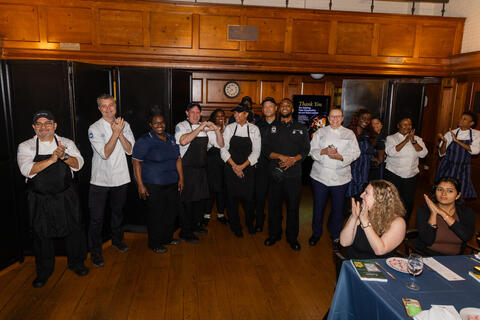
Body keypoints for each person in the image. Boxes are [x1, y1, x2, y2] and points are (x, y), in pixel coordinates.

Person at [17, 110, 89, 288]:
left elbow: (79, 164)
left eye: (47, 123)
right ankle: (44, 271)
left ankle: (76, 263)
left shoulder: (66, 143)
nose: (43, 127)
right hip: (40, 198)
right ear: (34, 127)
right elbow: (27, 170)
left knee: (73, 230)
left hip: (65, 196)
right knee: (41, 235)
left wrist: (64, 156)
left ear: (54, 125)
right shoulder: (25, 146)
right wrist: (52, 159)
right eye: (39, 124)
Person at [88, 94, 135, 267]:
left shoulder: (125, 124)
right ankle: (95, 252)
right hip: (99, 180)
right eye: (104, 106)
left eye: (111, 106)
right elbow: (105, 153)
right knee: (96, 219)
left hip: (121, 177)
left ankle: (117, 240)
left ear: (115, 106)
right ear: (99, 108)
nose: (108, 109)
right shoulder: (94, 128)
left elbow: (130, 150)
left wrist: (120, 132)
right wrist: (115, 133)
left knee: (117, 213)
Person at [132, 109, 184, 254]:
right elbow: (136, 163)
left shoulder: (171, 138)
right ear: (150, 125)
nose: (159, 125)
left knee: (171, 213)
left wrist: (181, 178)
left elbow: (178, 159)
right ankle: (154, 243)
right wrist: (140, 185)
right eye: (156, 123)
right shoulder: (144, 141)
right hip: (153, 185)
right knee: (156, 215)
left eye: (162, 122)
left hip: (172, 183)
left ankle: (167, 238)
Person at [262, 98, 310, 250]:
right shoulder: (271, 128)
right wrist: (280, 157)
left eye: (287, 105)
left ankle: (292, 238)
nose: (284, 108)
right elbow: (265, 150)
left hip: (294, 176)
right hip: (275, 174)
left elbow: (305, 151)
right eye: (282, 106)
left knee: (293, 208)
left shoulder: (301, 128)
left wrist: (293, 160)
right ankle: (274, 235)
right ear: (278, 109)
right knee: (274, 207)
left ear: (292, 109)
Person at [309, 108, 360, 247]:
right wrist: (323, 151)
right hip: (320, 176)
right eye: (332, 117)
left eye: (338, 117)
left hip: (341, 177)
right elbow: (312, 151)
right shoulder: (320, 132)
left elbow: (356, 152)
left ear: (342, 118)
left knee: (338, 209)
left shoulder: (349, 134)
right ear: (328, 118)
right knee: (318, 207)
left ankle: (336, 235)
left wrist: (341, 156)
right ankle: (316, 233)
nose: (335, 119)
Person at [175, 103, 224, 243]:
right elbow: (183, 141)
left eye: (198, 113)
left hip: (202, 170)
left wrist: (216, 130)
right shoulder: (182, 126)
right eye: (193, 112)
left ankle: (195, 226)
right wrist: (200, 128)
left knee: (199, 201)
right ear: (187, 113)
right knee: (187, 202)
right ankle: (185, 232)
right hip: (187, 169)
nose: (196, 115)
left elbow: (220, 144)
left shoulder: (205, 128)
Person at [340, 180, 406, 259]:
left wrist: (365, 222)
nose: (361, 195)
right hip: (355, 264)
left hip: (380, 267)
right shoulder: (362, 212)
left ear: (379, 199)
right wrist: (353, 217)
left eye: (366, 193)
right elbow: (344, 242)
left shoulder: (398, 223)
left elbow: (380, 250)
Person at [221, 104, 261, 237]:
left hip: (247, 168)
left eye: (238, 113)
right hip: (231, 168)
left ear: (246, 114)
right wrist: (234, 166)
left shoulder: (254, 129)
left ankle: (250, 224)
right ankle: (235, 226)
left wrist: (242, 166)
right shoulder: (229, 128)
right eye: (235, 113)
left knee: (249, 199)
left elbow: (256, 152)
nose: (235, 115)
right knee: (232, 200)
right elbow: (223, 149)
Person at [414, 176, 475, 256]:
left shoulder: (466, 213)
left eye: (450, 191)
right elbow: (427, 240)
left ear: (458, 195)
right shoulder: (424, 210)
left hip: (455, 259)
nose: (443, 194)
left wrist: (443, 214)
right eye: (440, 189)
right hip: (427, 256)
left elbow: (466, 236)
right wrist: (433, 213)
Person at [385, 117, 428, 224]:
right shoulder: (391, 138)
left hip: (411, 174)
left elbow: (423, 154)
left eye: (409, 124)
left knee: (408, 201)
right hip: (393, 173)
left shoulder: (417, 139)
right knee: (393, 200)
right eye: (404, 124)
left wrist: (413, 141)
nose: (407, 127)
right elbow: (391, 152)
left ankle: (404, 223)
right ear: (398, 126)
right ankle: (390, 223)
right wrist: (406, 140)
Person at [435, 111, 479, 199]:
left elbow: (475, 151)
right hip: (447, 167)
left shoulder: (476, 134)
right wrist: (444, 142)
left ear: (471, 123)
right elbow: (441, 153)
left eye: (464, 119)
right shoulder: (450, 133)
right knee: (443, 194)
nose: (461, 120)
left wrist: (457, 141)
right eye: (461, 118)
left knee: (459, 195)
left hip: (463, 169)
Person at [254, 97, 278, 232]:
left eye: (271, 106)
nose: (268, 109)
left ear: (276, 108)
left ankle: (274, 224)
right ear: (262, 110)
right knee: (260, 196)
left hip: (276, 166)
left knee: (275, 198)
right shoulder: (258, 126)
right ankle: (259, 222)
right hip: (261, 166)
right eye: (265, 107)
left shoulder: (282, 125)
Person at [204, 109, 228, 225]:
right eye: (218, 116)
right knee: (212, 188)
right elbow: (219, 144)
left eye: (222, 116)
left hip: (226, 161)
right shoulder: (210, 130)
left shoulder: (228, 128)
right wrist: (218, 131)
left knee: (222, 189)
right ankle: (206, 214)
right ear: (213, 118)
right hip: (213, 160)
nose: (220, 118)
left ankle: (221, 214)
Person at [346, 109, 376, 200]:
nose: (366, 121)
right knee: (348, 198)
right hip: (350, 168)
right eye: (363, 118)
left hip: (364, 169)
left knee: (361, 197)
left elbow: (372, 150)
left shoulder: (370, 134)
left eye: (368, 119)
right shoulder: (347, 132)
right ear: (357, 118)